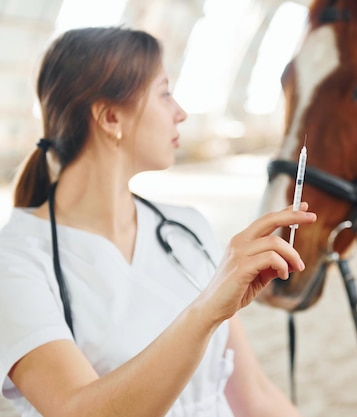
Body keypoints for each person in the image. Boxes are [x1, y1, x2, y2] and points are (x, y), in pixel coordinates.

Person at [0, 26, 316, 417]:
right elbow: (77, 411)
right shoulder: (14, 260)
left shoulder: (187, 229)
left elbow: (254, 397)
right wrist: (207, 309)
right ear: (111, 117)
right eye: (164, 93)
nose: (180, 112)